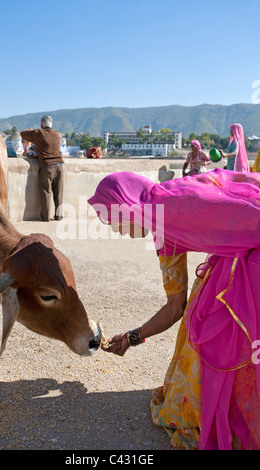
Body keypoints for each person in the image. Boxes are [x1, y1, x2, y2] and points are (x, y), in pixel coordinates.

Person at [88, 169, 260, 450]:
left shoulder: (176, 201)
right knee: (201, 309)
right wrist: (132, 337)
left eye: (114, 219)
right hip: (237, 260)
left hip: (252, 265)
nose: (116, 229)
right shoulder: (163, 232)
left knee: (217, 329)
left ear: (128, 207)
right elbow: (174, 306)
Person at [20, 116, 64, 221]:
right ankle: (59, 216)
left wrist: (30, 131)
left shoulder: (39, 134)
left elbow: (22, 133)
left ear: (41, 125)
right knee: (59, 193)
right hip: (59, 166)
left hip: (47, 166)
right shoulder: (56, 134)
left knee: (46, 192)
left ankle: (45, 217)